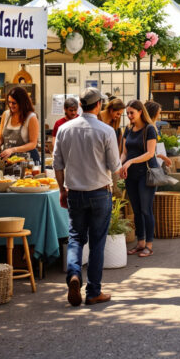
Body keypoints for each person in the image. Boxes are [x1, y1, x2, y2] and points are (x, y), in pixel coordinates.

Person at [54, 88, 119, 306]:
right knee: (97, 242)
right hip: (100, 191)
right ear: (99, 104)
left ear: (81, 105)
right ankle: (93, 291)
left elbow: (57, 164)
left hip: (75, 192)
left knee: (75, 238)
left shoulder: (64, 129)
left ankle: (74, 274)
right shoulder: (106, 130)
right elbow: (114, 165)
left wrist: (62, 189)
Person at [116, 100, 159, 258]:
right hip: (131, 175)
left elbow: (150, 153)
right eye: (127, 113)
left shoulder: (149, 129)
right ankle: (140, 242)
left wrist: (131, 162)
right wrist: (121, 165)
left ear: (140, 112)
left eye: (131, 113)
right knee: (136, 210)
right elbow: (124, 153)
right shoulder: (128, 130)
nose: (128, 116)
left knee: (146, 209)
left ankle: (149, 244)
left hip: (146, 174)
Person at [0, 86, 41, 164]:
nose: (10, 105)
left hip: (26, 162)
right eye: (9, 102)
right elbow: (0, 138)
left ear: (22, 102)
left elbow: (33, 144)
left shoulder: (31, 118)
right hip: (8, 161)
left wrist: (13, 150)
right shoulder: (6, 115)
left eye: (14, 103)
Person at [143, 100, 174, 170]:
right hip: (149, 168)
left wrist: (163, 157)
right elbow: (150, 153)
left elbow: (149, 150)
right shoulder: (150, 128)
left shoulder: (143, 127)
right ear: (153, 114)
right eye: (158, 113)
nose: (158, 116)